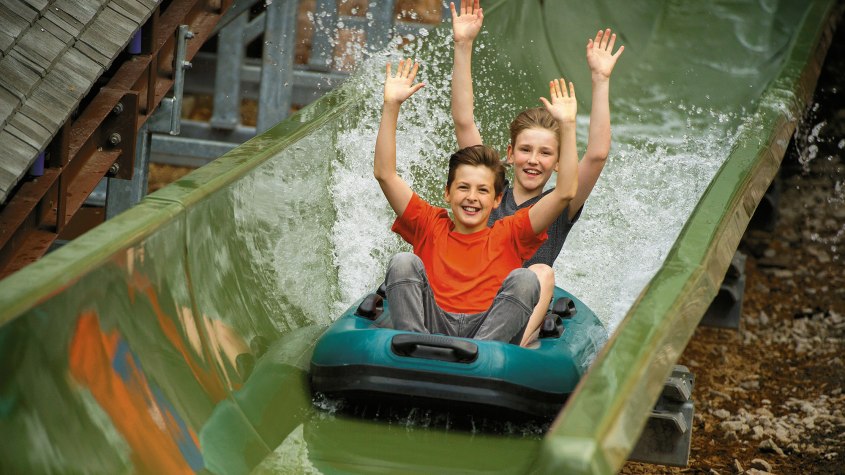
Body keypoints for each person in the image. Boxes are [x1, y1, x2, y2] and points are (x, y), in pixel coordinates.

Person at [450, 0, 624, 346]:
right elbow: (464, 121)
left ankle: (512, 350)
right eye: (526, 150)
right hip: (471, 298)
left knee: (540, 273)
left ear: (559, 163)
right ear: (510, 155)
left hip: (516, 314)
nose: (534, 160)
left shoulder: (561, 203)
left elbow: (598, 154)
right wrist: (463, 45)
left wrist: (600, 81)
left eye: (546, 153)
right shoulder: (487, 190)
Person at [374, 56, 579, 343]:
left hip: (486, 335)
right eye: (463, 188)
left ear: (497, 200)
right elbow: (385, 174)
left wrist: (568, 126)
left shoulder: (510, 232)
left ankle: (485, 356)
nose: (472, 198)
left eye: (482, 191)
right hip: (430, 324)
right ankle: (412, 346)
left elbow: (565, 192)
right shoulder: (428, 223)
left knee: (526, 278)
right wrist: (391, 105)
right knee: (403, 261)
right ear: (447, 193)